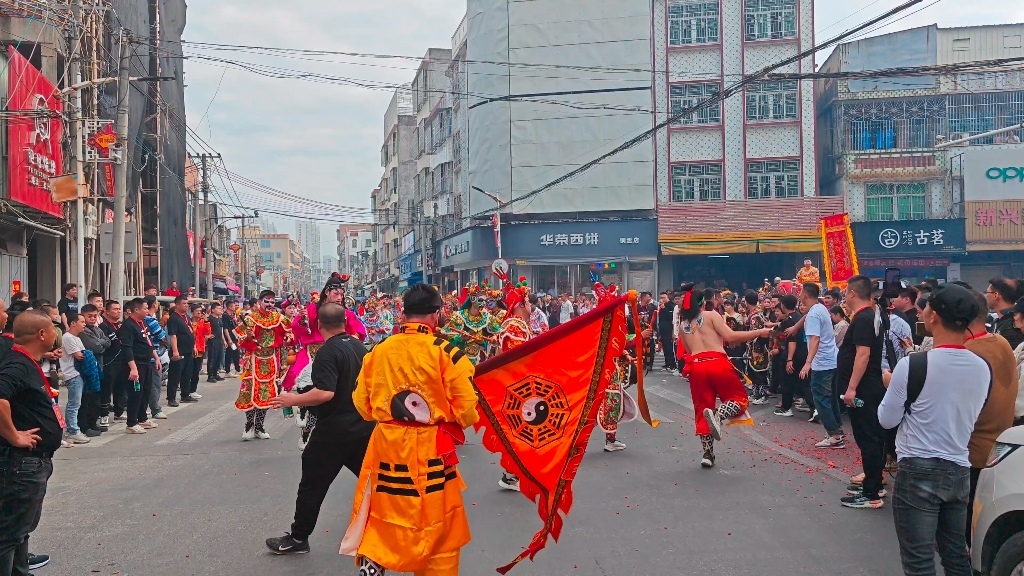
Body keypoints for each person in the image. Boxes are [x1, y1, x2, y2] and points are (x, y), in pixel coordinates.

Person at [339, 284, 477, 576]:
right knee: (439, 523)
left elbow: (361, 405)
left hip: (387, 444)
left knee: (384, 509)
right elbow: (466, 410)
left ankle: (375, 561)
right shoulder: (446, 352)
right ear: (437, 314)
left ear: (403, 313)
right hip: (431, 447)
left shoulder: (379, 350)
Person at [878, 284, 988, 575]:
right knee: (955, 555)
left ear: (934, 316)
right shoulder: (981, 367)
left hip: (917, 469)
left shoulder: (912, 365)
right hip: (959, 469)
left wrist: (890, 385)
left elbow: (887, 419)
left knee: (919, 560)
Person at [265, 303, 373, 556]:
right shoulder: (359, 347)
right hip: (363, 426)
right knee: (375, 482)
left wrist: (293, 399)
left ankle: (298, 538)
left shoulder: (327, 352)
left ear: (318, 325)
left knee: (312, 485)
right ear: (346, 322)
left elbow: (325, 392)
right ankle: (402, 527)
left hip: (334, 432)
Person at [676, 284, 771, 468]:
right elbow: (731, 337)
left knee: (702, 409)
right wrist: (759, 332)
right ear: (704, 303)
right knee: (739, 399)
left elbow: (688, 350)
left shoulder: (683, 325)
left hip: (697, 367)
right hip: (717, 362)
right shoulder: (712, 316)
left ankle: (707, 454)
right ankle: (718, 416)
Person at [0, 310, 61, 576]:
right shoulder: (17, 364)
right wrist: (14, 435)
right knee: (9, 533)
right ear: (42, 334)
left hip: (35, 461)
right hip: (21, 463)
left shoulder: (28, 361)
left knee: (21, 530)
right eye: (52, 329)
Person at [963, 290, 1018, 546]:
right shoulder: (1000, 342)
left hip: (972, 453)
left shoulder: (969, 352)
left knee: (966, 532)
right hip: (996, 446)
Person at [838, 275, 887, 509]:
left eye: (845, 293)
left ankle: (871, 494)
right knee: (870, 436)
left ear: (852, 293)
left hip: (864, 388)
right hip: (867, 385)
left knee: (867, 437)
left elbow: (863, 354)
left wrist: (851, 387)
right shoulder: (870, 315)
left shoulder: (865, 318)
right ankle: (874, 483)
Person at [234, 290, 292, 440]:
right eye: (267, 301)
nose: (270, 304)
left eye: (272, 302)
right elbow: (241, 342)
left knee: (266, 393)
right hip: (253, 359)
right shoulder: (251, 319)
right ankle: (249, 425)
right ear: (259, 302)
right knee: (250, 392)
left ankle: (259, 426)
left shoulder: (278, 318)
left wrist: (287, 338)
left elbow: (289, 335)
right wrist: (248, 336)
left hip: (271, 358)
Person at [798, 283, 844, 448]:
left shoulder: (813, 315)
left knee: (821, 400)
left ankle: (834, 434)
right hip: (831, 359)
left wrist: (808, 363)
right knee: (831, 399)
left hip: (822, 363)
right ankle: (837, 429)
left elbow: (815, 339)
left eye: (801, 292)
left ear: (805, 295)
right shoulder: (821, 308)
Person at [118, 299, 162, 434]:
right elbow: (127, 348)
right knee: (135, 393)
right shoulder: (128, 326)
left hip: (147, 362)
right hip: (136, 364)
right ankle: (131, 423)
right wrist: (133, 368)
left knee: (145, 391)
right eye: (145, 308)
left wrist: (156, 358)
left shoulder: (142, 323)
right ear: (136, 310)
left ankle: (142, 418)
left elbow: (148, 342)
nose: (147, 311)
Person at [439, 285, 502, 365]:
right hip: (460, 358)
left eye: (485, 301)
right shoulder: (459, 316)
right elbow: (448, 337)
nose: (483, 303)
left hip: (480, 358)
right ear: (472, 299)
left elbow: (499, 331)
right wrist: (460, 338)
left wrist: (495, 337)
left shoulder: (486, 316)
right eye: (480, 300)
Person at [774, 295, 812, 418]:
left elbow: (791, 341)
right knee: (805, 383)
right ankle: (814, 407)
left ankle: (786, 408)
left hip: (793, 356)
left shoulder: (789, 321)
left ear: (783, 306)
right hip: (804, 354)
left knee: (787, 383)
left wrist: (789, 359)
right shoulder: (799, 317)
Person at [78, 304, 111, 436]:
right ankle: (84, 426)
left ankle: (93, 423)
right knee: (86, 399)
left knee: (96, 399)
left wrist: (99, 343)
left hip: (99, 367)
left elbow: (108, 342)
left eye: (95, 316)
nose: (92, 319)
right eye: (89, 316)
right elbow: (95, 347)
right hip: (88, 369)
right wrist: (100, 343)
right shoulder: (82, 331)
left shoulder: (97, 329)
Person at [59, 312, 90, 444]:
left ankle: (72, 429)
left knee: (76, 403)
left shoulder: (77, 338)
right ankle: (73, 431)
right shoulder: (68, 337)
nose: (84, 324)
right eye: (82, 322)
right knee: (74, 404)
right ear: (73, 323)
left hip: (79, 373)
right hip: (73, 374)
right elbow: (80, 355)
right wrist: (89, 356)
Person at [165, 295, 196, 407]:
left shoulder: (186, 317)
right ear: (177, 305)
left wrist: (194, 347)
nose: (186, 305)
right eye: (184, 303)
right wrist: (175, 351)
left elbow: (191, 332)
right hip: (179, 351)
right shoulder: (174, 318)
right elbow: (173, 335)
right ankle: (171, 398)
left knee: (187, 374)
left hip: (188, 350)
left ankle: (185, 394)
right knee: (175, 375)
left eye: (187, 303)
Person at [98, 300, 125, 425]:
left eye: (119, 309)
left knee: (120, 388)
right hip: (109, 362)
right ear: (107, 311)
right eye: (115, 309)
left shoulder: (121, 325)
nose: (118, 311)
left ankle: (119, 412)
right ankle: (104, 414)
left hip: (121, 361)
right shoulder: (103, 326)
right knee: (106, 389)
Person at [743, 291, 771, 404]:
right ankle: (756, 393)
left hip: (757, 348)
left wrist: (757, 350)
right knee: (753, 371)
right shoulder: (756, 314)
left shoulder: (756, 316)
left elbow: (759, 335)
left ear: (746, 301)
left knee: (759, 372)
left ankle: (762, 395)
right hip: (752, 347)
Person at [987, 277, 1024, 349]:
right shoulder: (996, 322)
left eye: (987, 292)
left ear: (995, 295)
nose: (986, 296)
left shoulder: (1013, 324)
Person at [206, 302, 226, 383]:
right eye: (218, 309)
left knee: (218, 357)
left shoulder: (219, 319)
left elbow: (221, 330)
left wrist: (224, 340)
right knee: (212, 358)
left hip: (219, 340)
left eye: (220, 309)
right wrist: (207, 335)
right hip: (213, 341)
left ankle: (215, 373)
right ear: (213, 310)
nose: (220, 310)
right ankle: (210, 375)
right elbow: (204, 328)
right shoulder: (209, 319)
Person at [658, 292, 677, 371]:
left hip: (669, 330)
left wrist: (664, 309)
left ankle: (672, 364)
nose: (662, 299)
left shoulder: (671, 306)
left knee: (669, 347)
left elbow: (671, 317)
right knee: (665, 347)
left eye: (664, 297)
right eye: (661, 298)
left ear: (667, 297)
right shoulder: (662, 306)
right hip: (663, 329)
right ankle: (667, 363)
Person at [223, 300, 241, 376]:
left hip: (234, 337)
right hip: (230, 338)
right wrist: (229, 339)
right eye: (234, 306)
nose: (235, 307)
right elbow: (225, 328)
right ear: (230, 307)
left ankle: (237, 369)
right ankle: (228, 371)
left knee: (235, 353)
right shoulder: (225, 316)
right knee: (231, 353)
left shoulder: (233, 315)